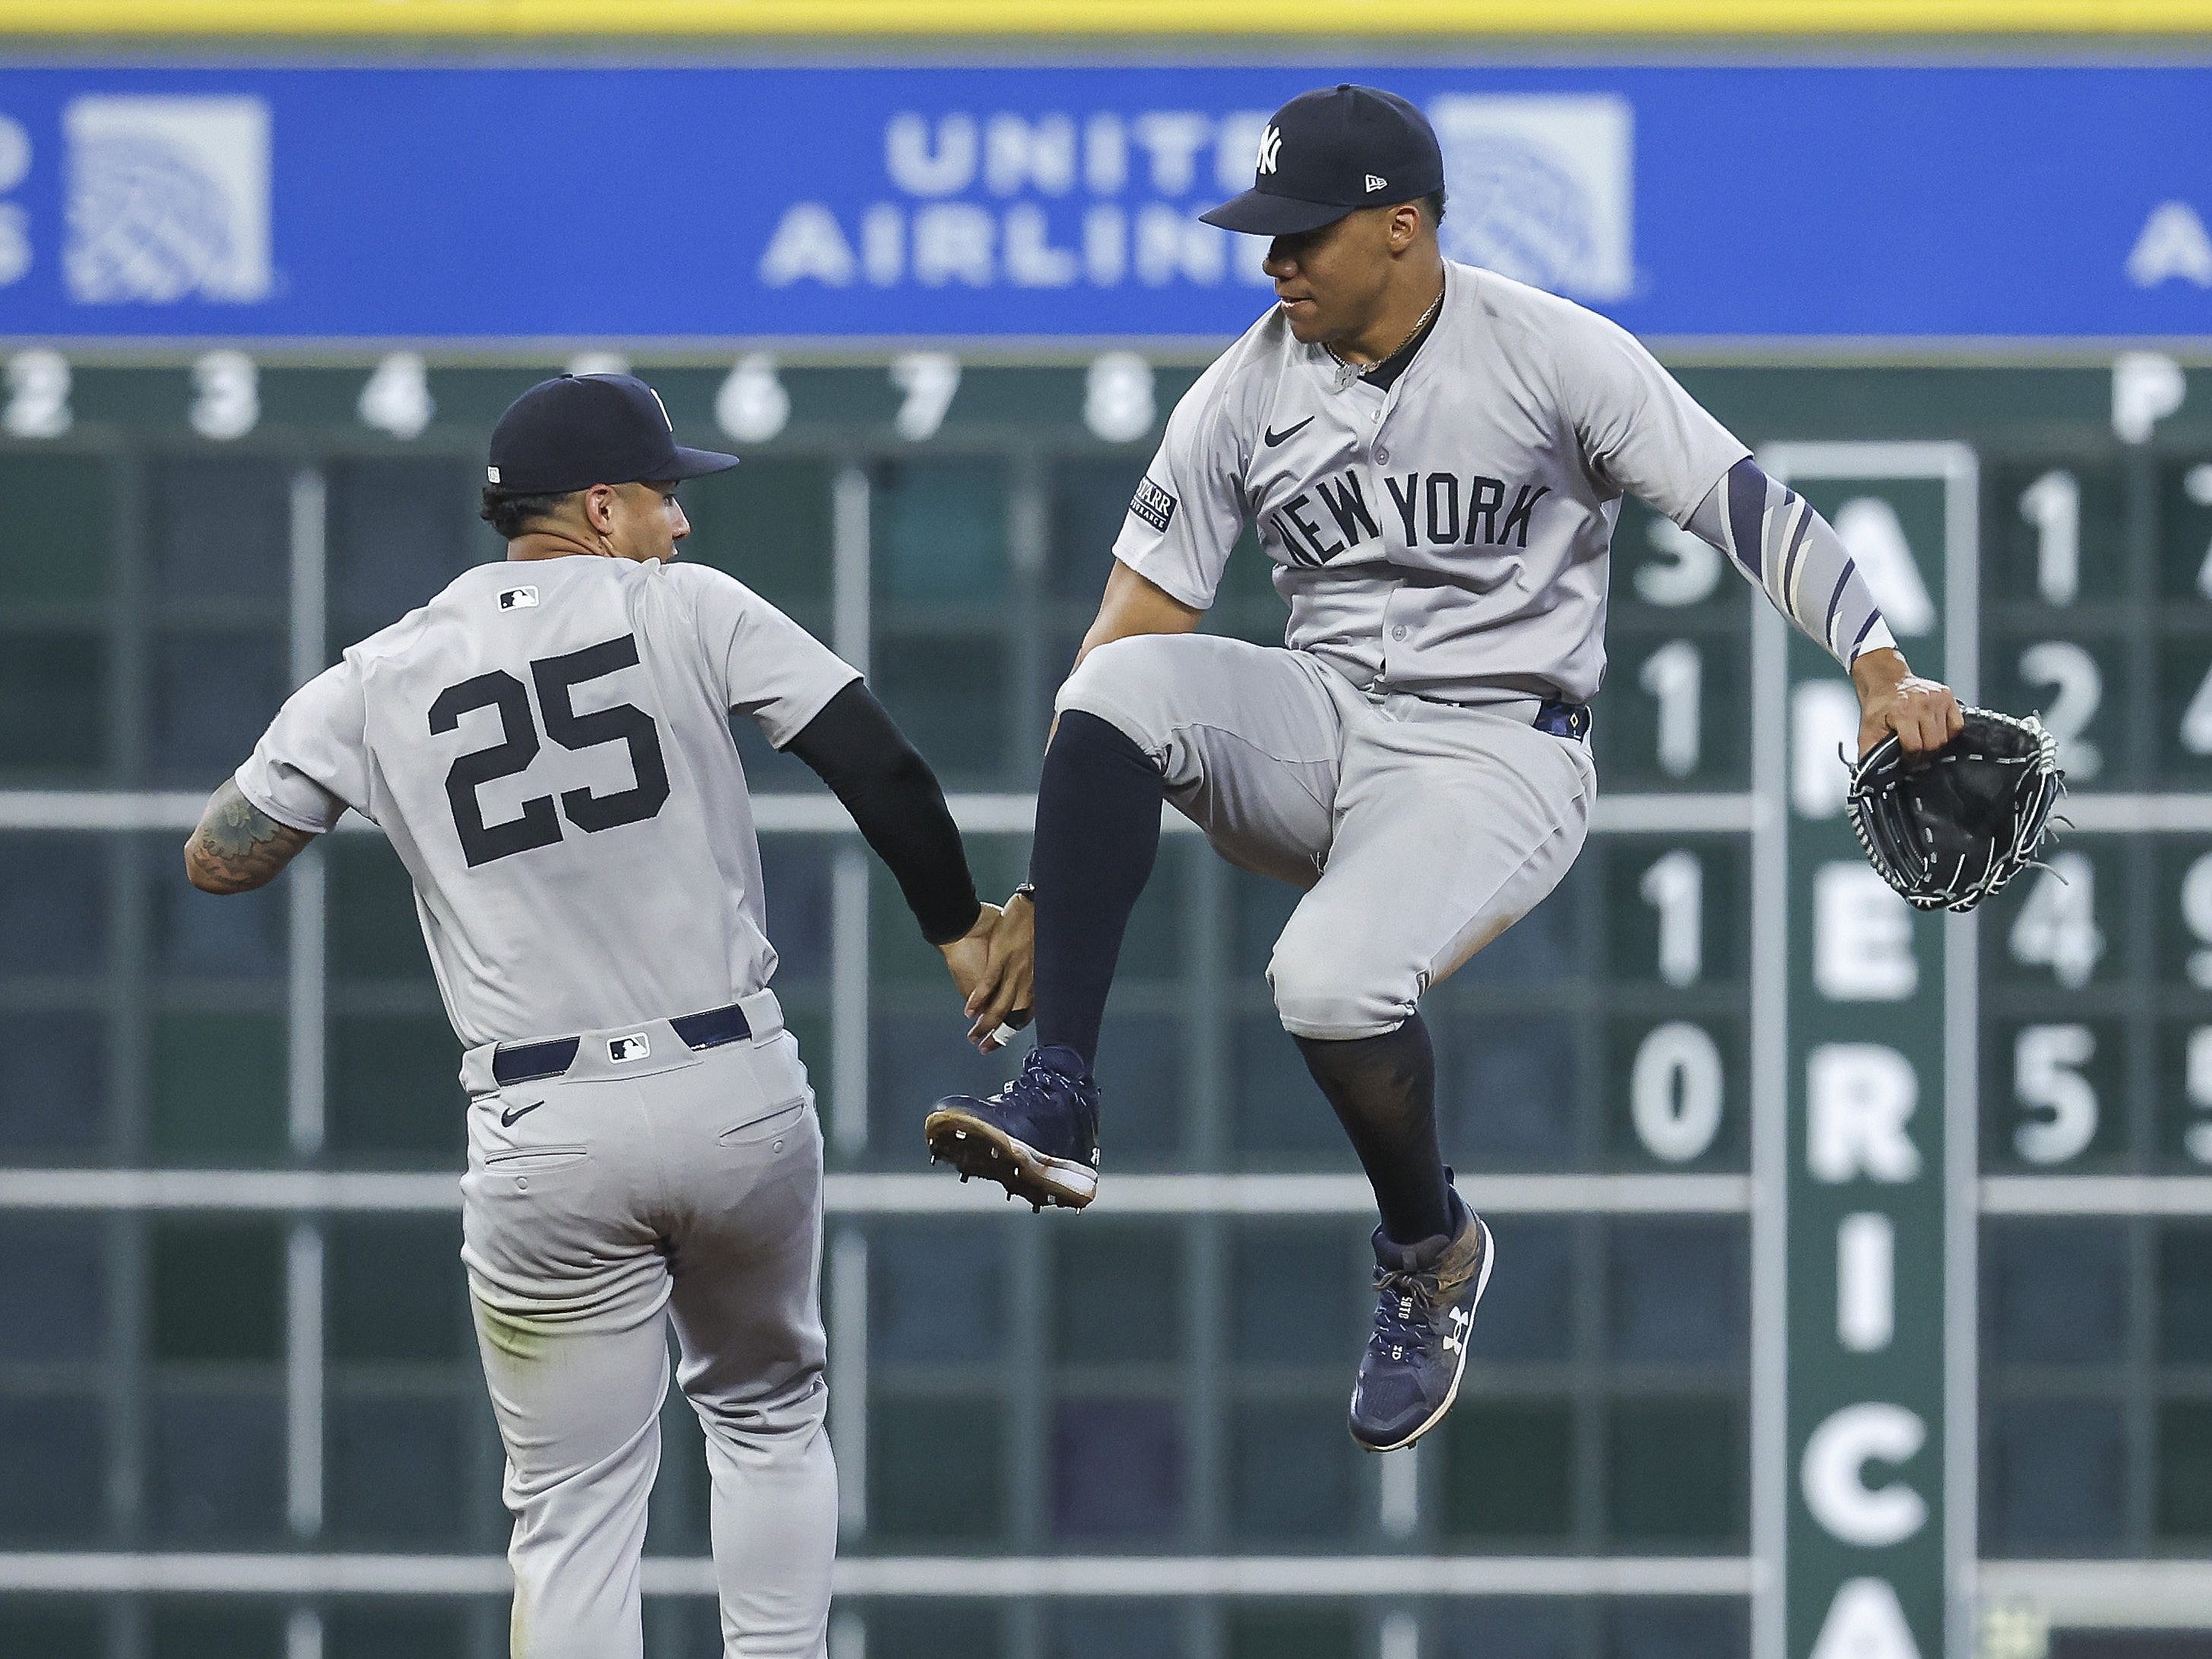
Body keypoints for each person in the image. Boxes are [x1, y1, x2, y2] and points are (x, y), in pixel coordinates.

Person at [925, 84, 1960, 1454]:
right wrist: (1046, 895)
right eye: (1266, 232)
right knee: (1109, 685)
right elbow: (1134, 624)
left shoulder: (1548, 351)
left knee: (1325, 983)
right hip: (1321, 720)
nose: (1274, 260)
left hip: (1495, 750)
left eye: (1304, 232)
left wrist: (1876, 661)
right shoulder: (1244, 389)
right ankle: (1061, 1091)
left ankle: (1429, 1251)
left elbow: (1740, 501)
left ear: (1401, 226)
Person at [182, 371, 1032, 1657]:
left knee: (572, 1506)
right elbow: (879, 762)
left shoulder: (380, 674)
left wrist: (387, 785)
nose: (679, 521)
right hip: (730, 1087)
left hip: (547, 1126)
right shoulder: (686, 606)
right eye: (661, 495)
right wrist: (958, 927)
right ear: (597, 506)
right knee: (768, 1418)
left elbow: (219, 855)